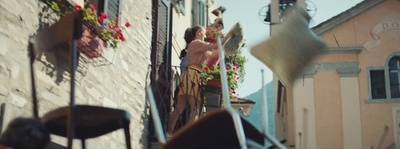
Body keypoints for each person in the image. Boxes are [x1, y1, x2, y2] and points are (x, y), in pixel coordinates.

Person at [167, 25, 233, 135]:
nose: (205, 35)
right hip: (194, 75)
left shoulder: (196, 46)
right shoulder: (196, 43)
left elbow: (213, 56)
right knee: (195, 108)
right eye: (203, 32)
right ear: (198, 32)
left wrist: (225, 48)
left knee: (180, 106)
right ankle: (188, 136)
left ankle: (169, 132)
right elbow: (215, 45)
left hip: (189, 75)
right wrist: (228, 36)